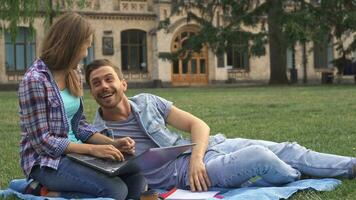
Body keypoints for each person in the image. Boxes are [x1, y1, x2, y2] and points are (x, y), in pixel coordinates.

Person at [84, 59, 356, 192]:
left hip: (209, 149)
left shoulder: (147, 101)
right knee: (260, 157)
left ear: (123, 83)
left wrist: (197, 158)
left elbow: (198, 125)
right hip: (189, 176)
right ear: (91, 91)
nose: (104, 86)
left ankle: (350, 166)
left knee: (288, 147)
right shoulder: (99, 135)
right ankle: (298, 175)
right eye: (96, 83)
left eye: (109, 79)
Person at [18, 13, 146, 200]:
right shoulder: (34, 80)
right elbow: (42, 142)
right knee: (115, 191)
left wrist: (112, 143)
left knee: (136, 179)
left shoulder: (73, 73)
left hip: (79, 154)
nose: (86, 53)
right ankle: (42, 191)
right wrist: (93, 150)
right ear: (70, 45)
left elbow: (79, 126)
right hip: (47, 162)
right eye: (85, 47)